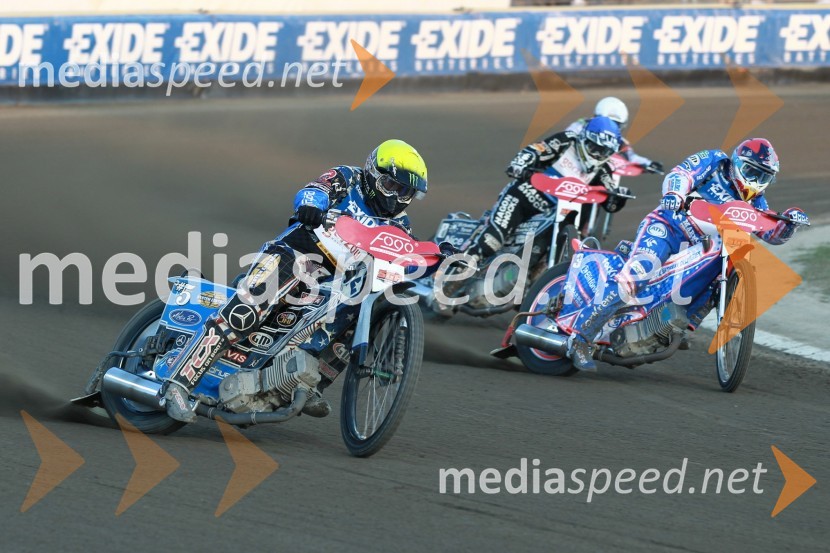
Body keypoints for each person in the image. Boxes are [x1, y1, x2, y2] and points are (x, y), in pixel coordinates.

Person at [161, 139, 436, 422]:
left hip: (334, 283)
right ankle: (178, 383)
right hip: (298, 252)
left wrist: (436, 257)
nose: (398, 198)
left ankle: (306, 383)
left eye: (407, 192)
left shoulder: (399, 224)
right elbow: (315, 189)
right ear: (372, 173)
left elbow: (408, 255)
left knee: (358, 312)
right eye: (393, 186)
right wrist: (312, 204)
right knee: (245, 312)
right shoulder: (348, 177)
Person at [566, 138, 810, 371]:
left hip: (701, 245)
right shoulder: (715, 160)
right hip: (668, 228)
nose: (756, 181)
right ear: (737, 163)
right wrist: (675, 194)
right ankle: (580, 338)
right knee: (638, 274)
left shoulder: (756, 201)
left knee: (720, 280)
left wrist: (790, 222)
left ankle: (674, 327)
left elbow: (772, 234)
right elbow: (681, 173)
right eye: (751, 172)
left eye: (764, 176)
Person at [463, 115, 628, 266]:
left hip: (558, 213)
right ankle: (456, 270)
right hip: (526, 196)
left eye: (605, 152)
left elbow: (610, 197)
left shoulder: (603, 168)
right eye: (595, 148)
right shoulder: (567, 141)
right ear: (585, 138)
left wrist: (618, 198)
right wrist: (519, 165)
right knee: (492, 241)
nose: (599, 155)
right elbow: (536, 150)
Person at [567, 96, 664, 175]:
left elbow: (630, 157)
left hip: (594, 175)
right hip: (569, 166)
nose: (611, 127)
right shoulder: (580, 126)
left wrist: (649, 163)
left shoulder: (620, 142)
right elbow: (565, 138)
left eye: (616, 124)